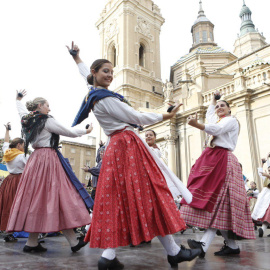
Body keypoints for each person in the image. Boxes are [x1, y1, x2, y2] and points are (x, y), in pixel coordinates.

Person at [67, 42, 201, 269]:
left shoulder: (94, 93)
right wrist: (165, 116)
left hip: (117, 148)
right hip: (127, 146)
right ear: (95, 73)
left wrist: (77, 58)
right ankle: (173, 252)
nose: (110, 75)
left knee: (126, 198)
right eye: (105, 71)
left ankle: (109, 257)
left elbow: (84, 75)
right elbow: (136, 116)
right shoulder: (106, 99)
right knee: (148, 194)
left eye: (111, 71)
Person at [6, 90, 94, 253]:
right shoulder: (46, 120)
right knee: (58, 196)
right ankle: (73, 241)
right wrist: (85, 131)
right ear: (39, 106)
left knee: (37, 200)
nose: (49, 109)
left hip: (35, 160)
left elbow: (21, 111)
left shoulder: (27, 120)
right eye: (47, 105)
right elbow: (68, 132)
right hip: (48, 159)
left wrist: (18, 100)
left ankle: (32, 243)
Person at [180, 90, 255, 258]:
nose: (220, 108)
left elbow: (216, 128)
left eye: (223, 106)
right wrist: (213, 100)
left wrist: (196, 125)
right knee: (221, 205)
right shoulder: (220, 118)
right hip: (214, 159)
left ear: (229, 109)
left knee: (219, 203)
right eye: (218, 106)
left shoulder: (230, 121)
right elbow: (211, 117)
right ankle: (232, 246)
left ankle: (203, 245)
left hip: (223, 161)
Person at [0, 122, 29, 242]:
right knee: (20, 206)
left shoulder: (7, 152)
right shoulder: (23, 156)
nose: (24, 147)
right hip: (20, 181)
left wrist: (7, 130)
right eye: (23, 145)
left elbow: (5, 143)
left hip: (8, 181)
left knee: (7, 205)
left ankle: (8, 231)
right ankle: (29, 232)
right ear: (18, 145)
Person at [145, 129, 192, 201]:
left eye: (151, 135)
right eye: (146, 135)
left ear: (155, 138)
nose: (148, 137)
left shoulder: (155, 150)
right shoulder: (143, 148)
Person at [251, 155, 270, 237]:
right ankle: (262, 228)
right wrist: (262, 164)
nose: (269, 171)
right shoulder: (267, 178)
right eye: (269, 170)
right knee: (267, 213)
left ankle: (263, 228)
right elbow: (260, 173)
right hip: (266, 198)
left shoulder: (267, 177)